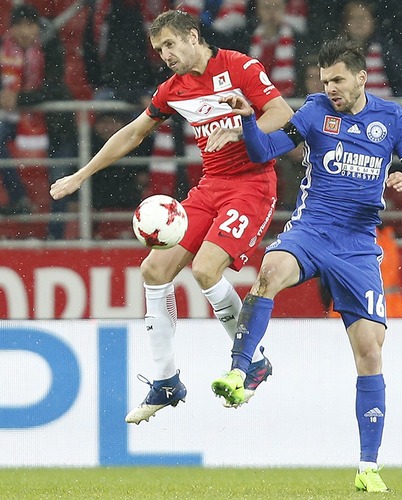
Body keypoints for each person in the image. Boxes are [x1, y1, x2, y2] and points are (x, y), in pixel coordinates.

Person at [210, 37, 402, 492]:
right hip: (311, 230)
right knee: (270, 272)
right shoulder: (314, 111)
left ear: (361, 77)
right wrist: (249, 120)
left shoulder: (391, 118)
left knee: (370, 352)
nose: (330, 88)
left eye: (337, 80)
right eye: (324, 80)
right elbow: (263, 151)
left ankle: (368, 467)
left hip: (358, 246)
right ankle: (240, 368)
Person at [50, 10, 294, 423]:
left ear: (193, 37)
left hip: (252, 186)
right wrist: (81, 174)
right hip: (210, 186)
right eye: (159, 49)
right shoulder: (173, 89)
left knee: (205, 270)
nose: (165, 54)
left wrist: (240, 129)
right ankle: (166, 381)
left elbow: (281, 112)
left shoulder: (238, 66)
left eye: (169, 44)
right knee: (153, 269)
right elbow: (133, 133)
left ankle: (251, 361)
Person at [0, 4, 78, 239]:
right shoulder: (0, 46)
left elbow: (54, 87)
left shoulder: (51, 44)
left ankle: (55, 236)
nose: (24, 31)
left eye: (29, 25)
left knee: (59, 178)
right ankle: (18, 197)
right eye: (19, 26)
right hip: (16, 117)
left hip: (56, 122)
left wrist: (19, 98)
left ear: (37, 27)